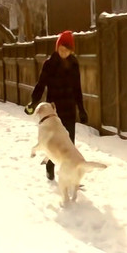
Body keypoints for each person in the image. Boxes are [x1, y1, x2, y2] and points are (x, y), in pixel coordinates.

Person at [24, 30, 88, 180]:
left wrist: (82, 109)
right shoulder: (49, 64)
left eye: (66, 50)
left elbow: (77, 88)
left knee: (68, 144)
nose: (63, 53)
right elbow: (41, 84)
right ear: (57, 47)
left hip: (69, 108)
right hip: (53, 111)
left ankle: (69, 175)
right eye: (61, 49)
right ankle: (49, 168)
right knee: (52, 142)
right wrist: (34, 102)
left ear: (71, 50)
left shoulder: (74, 63)